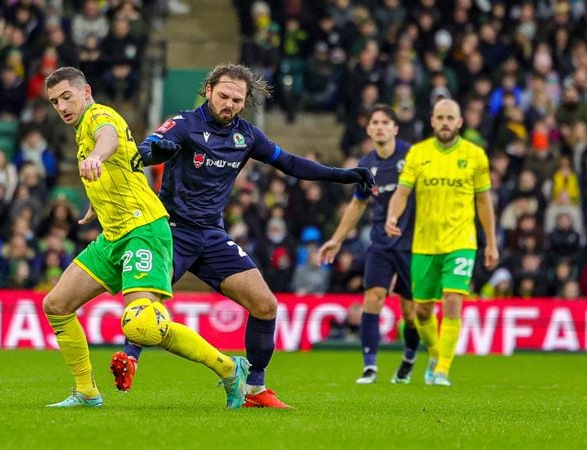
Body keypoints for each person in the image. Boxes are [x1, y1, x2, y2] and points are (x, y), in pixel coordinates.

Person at [109, 63, 375, 408]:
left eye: (237, 99)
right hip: (171, 231)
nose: (229, 104)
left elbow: (291, 163)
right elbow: (153, 144)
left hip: (212, 235)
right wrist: (154, 152)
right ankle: (130, 359)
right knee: (147, 301)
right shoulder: (185, 123)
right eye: (223, 96)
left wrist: (343, 175)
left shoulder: (247, 136)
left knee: (265, 305)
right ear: (208, 91)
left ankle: (254, 389)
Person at [40, 67, 249, 409]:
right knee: (57, 305)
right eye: (55, 101)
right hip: (113, 234)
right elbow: (119, 165)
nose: (62, 106)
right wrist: (98, 200)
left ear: (86, 91)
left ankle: (229, 368)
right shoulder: (80, 132)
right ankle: (86, 392)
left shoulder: (98, 116)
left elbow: (107, 138)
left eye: (67, 96)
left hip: (143, 230)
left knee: (142, 323)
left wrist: (96, 156)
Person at [385, 99, 498, 387]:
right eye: (440, 117)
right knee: (422, 310)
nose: (445, 122)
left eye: (451, 117)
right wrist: (392, 216)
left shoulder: (475, 156)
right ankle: (436, 353)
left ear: (460, 122)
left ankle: (442, 371)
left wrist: (491, 242)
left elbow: (484, 201)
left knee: (452, 302)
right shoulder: (418, 154)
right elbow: (402, 192)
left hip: (462, 241)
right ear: (433, 122)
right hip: (424, 244)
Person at [318, 104, 421, 385]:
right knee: (372, 298)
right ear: (368, 129)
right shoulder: (367, 165)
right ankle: (370, 367)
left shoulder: (412, 157)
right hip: (381, 241)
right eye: (375, 122)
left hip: (412, 243)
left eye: (385, 122)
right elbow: (357, 205)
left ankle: (410, 354)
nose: (379, 127)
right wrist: (336, 240)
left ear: (395, 128)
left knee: (411, 312)